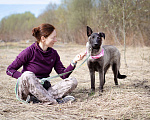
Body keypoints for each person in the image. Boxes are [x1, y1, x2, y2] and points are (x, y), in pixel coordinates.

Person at [6, 23, 86, 105]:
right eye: (53, 38)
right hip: (27, 91)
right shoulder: (29, 51)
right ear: (43, 38)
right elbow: (9, 70)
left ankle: (38, 99)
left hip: (44, 89)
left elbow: (63, 75)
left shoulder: (53, 54)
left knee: (72, 81)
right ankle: (54, 101)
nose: (55, 40)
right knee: (27, 75)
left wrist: (74, 61)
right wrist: (31, 79)